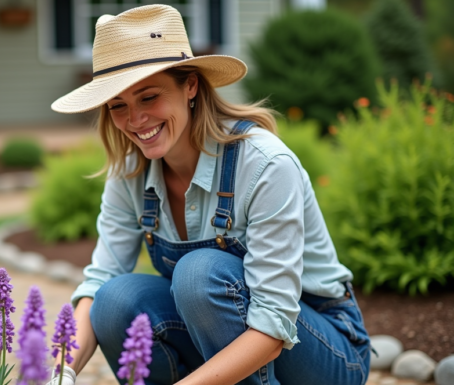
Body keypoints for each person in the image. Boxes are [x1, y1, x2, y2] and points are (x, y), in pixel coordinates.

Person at [48, 4, 370, 385]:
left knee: (199, 275)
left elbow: (273, 325)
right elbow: (99, 280)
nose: (134, 120)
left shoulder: (265, 165)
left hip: (320, 347)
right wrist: (59, 373)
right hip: (222, 344)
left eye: (148, 97)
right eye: (118, 106)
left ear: (190, 85)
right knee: (115, 300)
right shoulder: (129, 171)